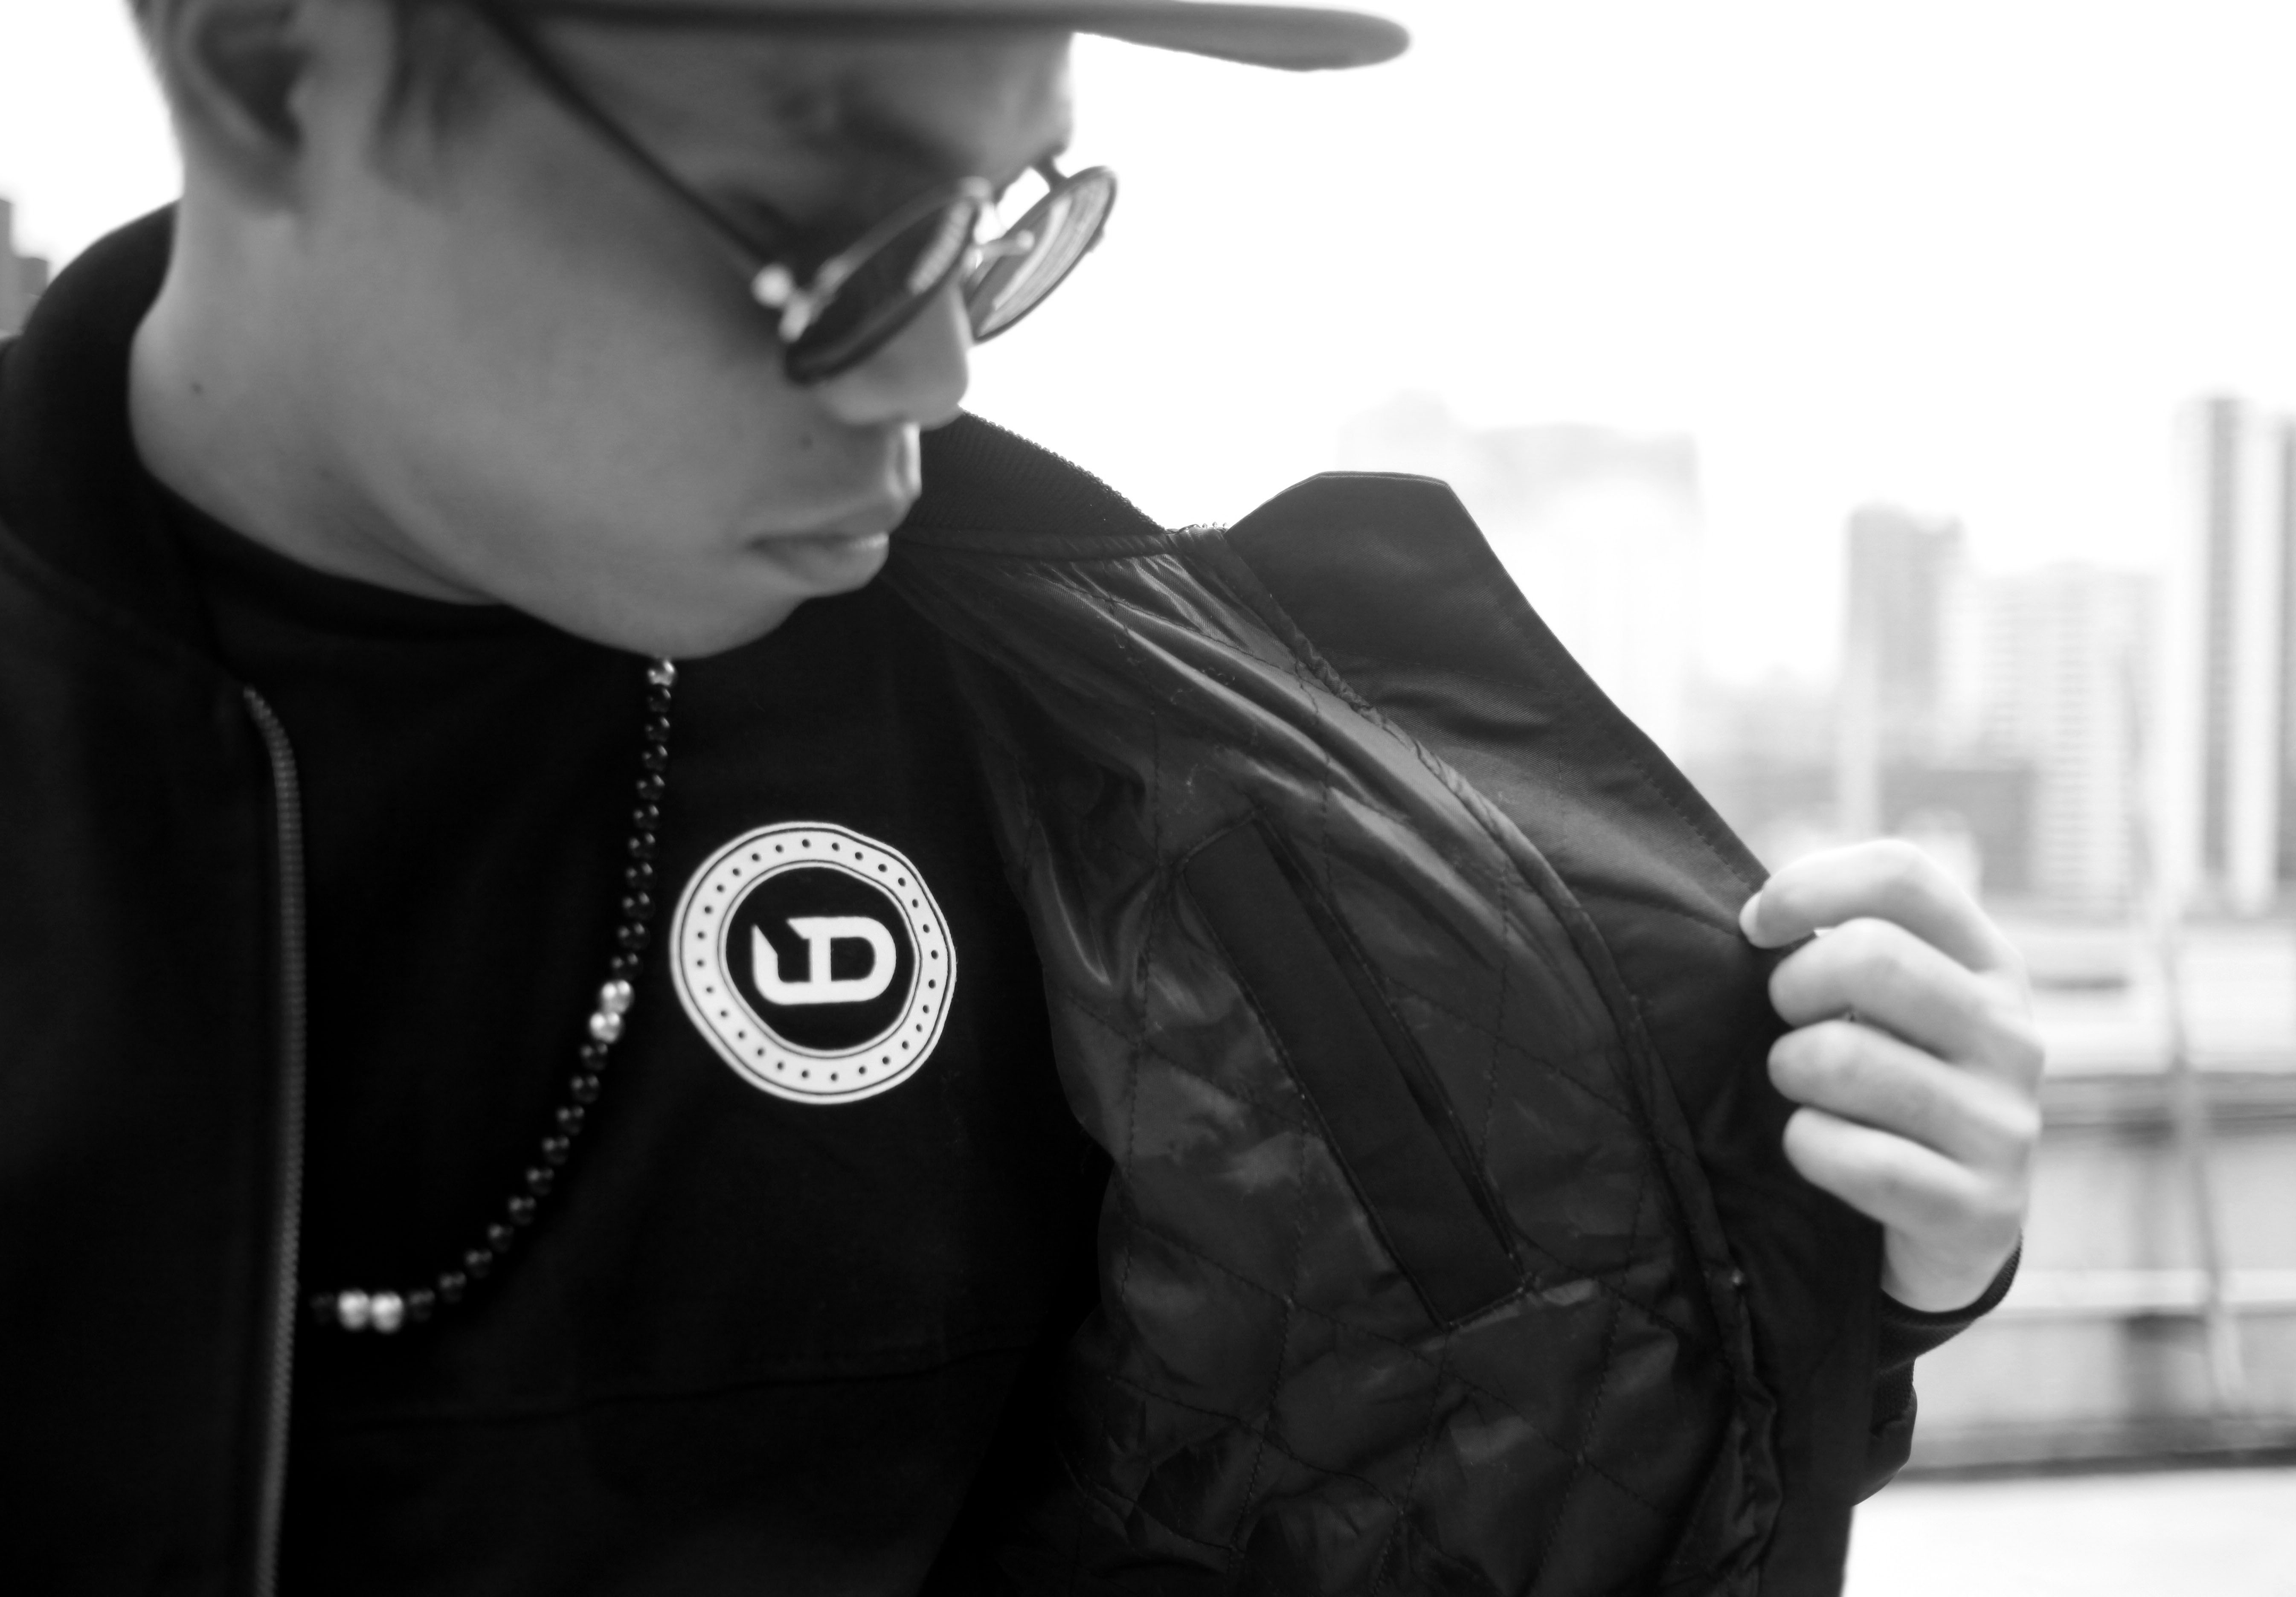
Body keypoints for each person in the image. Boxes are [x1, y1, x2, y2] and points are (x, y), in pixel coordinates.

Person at [0, 1, 2043, 1592]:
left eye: (988, 230)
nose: (934, 380)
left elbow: (1469, 1455)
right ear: (274, 67)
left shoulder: (1101, 767)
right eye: (826, 240)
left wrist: (1827, 1255)